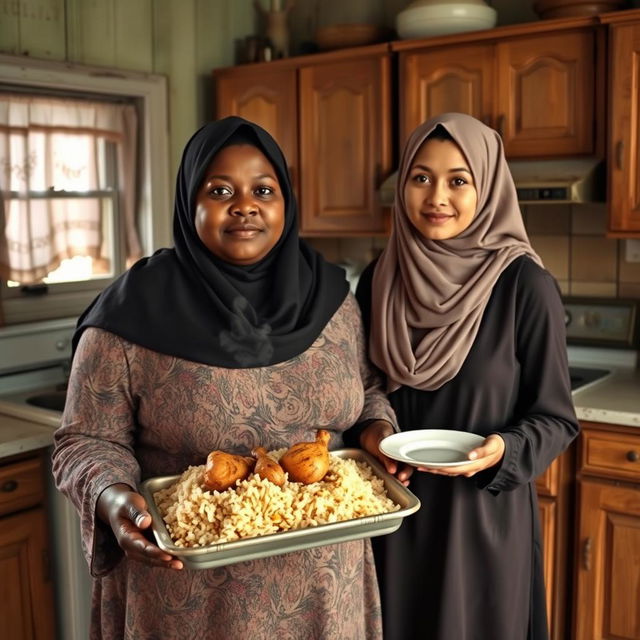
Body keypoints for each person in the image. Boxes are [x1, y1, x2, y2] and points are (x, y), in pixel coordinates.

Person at [51, 116, 398, 640]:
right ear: (190, 203)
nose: (245, 205)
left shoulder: (332, 300)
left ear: (286, 203)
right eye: (220, 190)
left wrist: (378, 432)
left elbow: (368, 391)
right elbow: (86, 440)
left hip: (325, 587)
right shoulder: (132, 313)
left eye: (264, 189)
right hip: (190, 596)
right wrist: (114, 496)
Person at [356, 112, 579, 640]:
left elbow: (556, 418)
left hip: (482, 523)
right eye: (421, 177)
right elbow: (363, 387)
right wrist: (374, 432)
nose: (437, 196)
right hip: (394, 517)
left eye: (459, 180)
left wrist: (503, 449)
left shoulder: (525, 285)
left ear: (488, 188)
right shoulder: (378, 280)